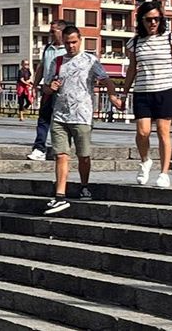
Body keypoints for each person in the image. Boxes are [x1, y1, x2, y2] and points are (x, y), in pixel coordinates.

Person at [43, 25, 123, 215]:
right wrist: (50, 87)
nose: (70, 46)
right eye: (67, 42)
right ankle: (60, 196)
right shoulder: (58, 61)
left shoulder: (90, 60)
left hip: (82, 114)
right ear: (62, 41)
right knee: (61, 155)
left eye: (74, 42)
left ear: (80, 40)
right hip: (60, 115)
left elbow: (106, 80)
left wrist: (112, 97)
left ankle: (84, 185)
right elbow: (46, 88)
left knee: (83, 155)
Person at [122, 0, 172, 189]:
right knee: (142, 131)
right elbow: (132, 69)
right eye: (148, 20)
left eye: (156, 19)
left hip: (166, 89)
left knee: (163, 132)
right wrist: (124, 93)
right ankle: (145, 160)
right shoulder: (135, 42)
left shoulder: (171, 38)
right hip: (142, 90)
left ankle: (164, 172)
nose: (153, 23)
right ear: (142, 21)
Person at [28, 21, 68, 161]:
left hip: (63, 91)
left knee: (61, 121)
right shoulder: (48, 48)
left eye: (53, 31)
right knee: (43, 119)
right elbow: (41, 67)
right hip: (47, 89)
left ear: (61, 32)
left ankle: (61, 149)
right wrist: (35, 85)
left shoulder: (67, 50)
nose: (50, 34)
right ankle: (39, 148)